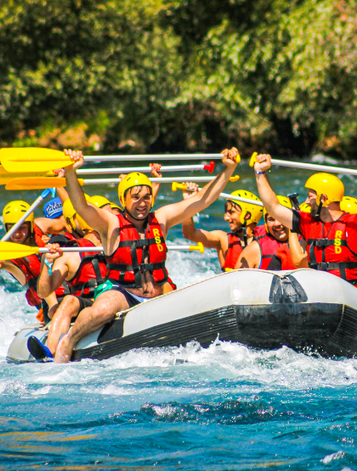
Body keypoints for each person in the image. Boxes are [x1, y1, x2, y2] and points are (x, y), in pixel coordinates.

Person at [53, 147, 241, 363]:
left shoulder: (161, 218)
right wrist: (70, 172)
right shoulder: (110, 223)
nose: (142, 203)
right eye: (135, 198)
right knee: (102, 311)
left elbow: (201, 200)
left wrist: (228, 169)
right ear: (123, 200)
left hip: (159, 290)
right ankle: (69, 340)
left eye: (146, 197)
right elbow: (81, 206)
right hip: (123, 292)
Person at [251, 153, 357, 290]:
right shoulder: (307, 223)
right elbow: (273, 207)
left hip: (350, 295)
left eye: (310, 197)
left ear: (324, 199)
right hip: (319, 293)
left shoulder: (355, 223)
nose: (306, 202)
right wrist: (260, 172)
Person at [31, 197, 107, 360]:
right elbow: (44, 292)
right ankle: (50, 352)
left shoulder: (117, 238)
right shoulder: (67, 249)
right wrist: (47, 263)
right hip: (88, 301)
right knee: (69, 302)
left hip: (117, 297)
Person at [181, 188, 263, 271]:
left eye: (231, 213)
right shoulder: (223, 240)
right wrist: (188, 202)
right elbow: (190, 234)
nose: (226, 218)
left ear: (247, 215)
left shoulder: (265, 241)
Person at [234, 195, 296, 270]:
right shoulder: (255, 249)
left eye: (281, 217)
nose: (277, 224)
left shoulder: (304, 243)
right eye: (271, 219)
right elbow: (237, 280)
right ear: (266, 223)